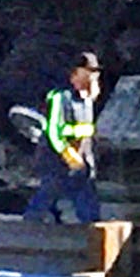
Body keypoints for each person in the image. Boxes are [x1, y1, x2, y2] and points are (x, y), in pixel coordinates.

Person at [23, 52, 103, 223]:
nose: (93, 76)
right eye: (89, 71)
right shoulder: (60, 97)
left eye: (95, 72)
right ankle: (27, 233)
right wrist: (67, 152)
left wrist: (87, 159)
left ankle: (93, 234)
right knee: (45, 198)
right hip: (56, 162)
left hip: (80, 163)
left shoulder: (87, 99)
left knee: (87, 202)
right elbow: (54, 131)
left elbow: (87, 132)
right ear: (76, 72)